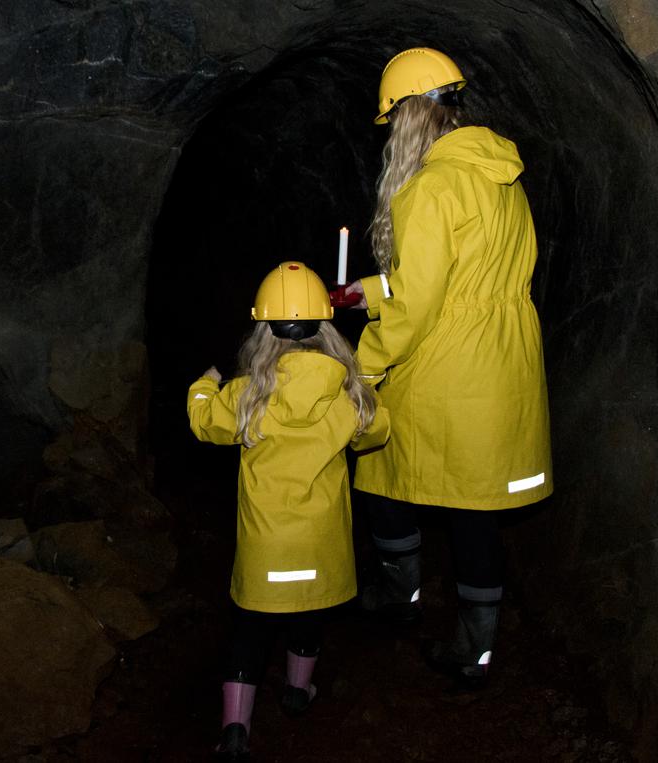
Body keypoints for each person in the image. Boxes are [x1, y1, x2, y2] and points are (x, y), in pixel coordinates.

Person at [343, 47, 553, 689]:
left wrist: (363, 369)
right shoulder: (501, 174)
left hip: (447, 362)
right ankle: (477, 645)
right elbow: (463, 279)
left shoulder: (430, 187)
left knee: (377, 472)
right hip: (501, 361)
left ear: (408, 115)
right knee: (476, 508)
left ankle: (401, 597)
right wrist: (369, 292)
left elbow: (419, 306)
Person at [188, 261, 390, 760]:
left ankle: (236, 728)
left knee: (248, 637)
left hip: (266, 548)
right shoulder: (347, 397)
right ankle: (299, 692)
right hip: (319, 545)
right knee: (307, 618)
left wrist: (204, 383)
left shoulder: (247, 395)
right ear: (325, 326)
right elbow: (380, 432)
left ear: (264, 330)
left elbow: (202, 424)